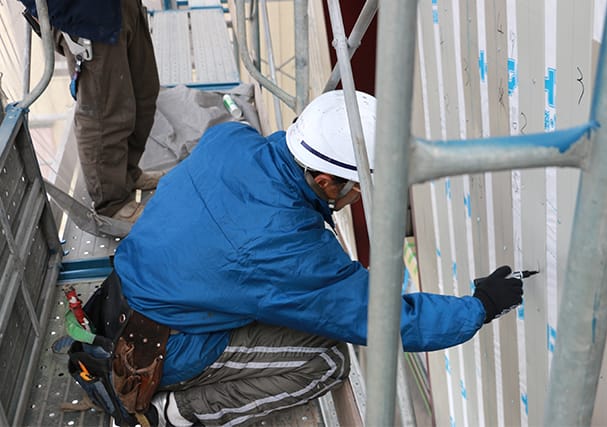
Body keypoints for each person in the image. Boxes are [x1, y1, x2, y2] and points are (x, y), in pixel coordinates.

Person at [73, 90, 523, 426]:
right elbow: (383, 320)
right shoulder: (288, 244)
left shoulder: (232, 138)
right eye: (359, 185)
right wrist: (478, 307)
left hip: (126, 298)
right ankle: (172, 413)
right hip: (158, 348)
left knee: (296, 316)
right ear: (326, 180)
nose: (361, 196)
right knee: (326, 362)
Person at [19, 0, 162, 222]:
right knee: (105, 113)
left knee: (144, 92)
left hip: (120, 7)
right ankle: (112, 202)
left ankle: (127, 173)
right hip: (84, 14)